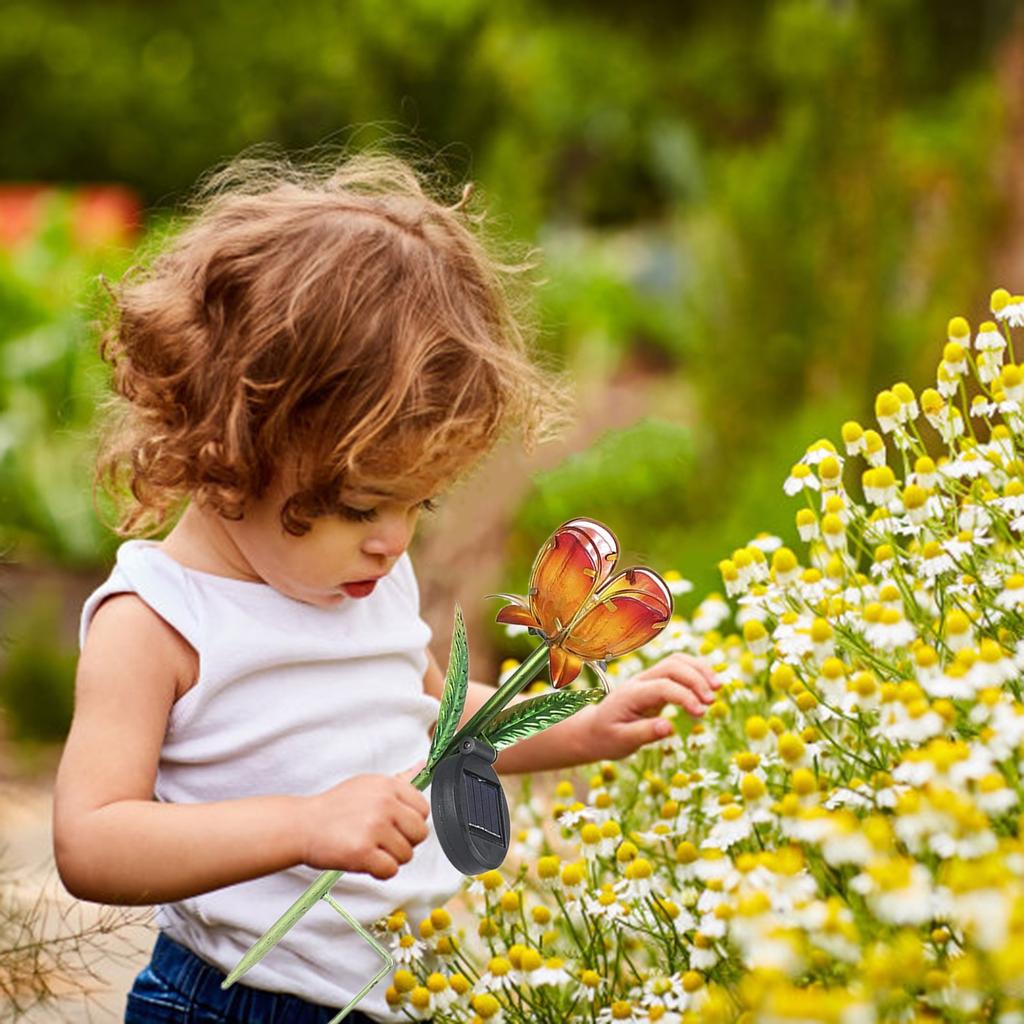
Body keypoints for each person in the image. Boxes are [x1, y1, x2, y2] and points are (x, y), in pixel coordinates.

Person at [51, 146, 721, 1024]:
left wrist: (583, 725)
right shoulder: (158, 622)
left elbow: (436, 721)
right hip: (236, 1004)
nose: (394, 542)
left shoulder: (367, 581)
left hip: (401, 997)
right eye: (364, 504)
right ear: (229, 445)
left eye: (420, 502)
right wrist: (302, 825)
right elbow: (92, 840)